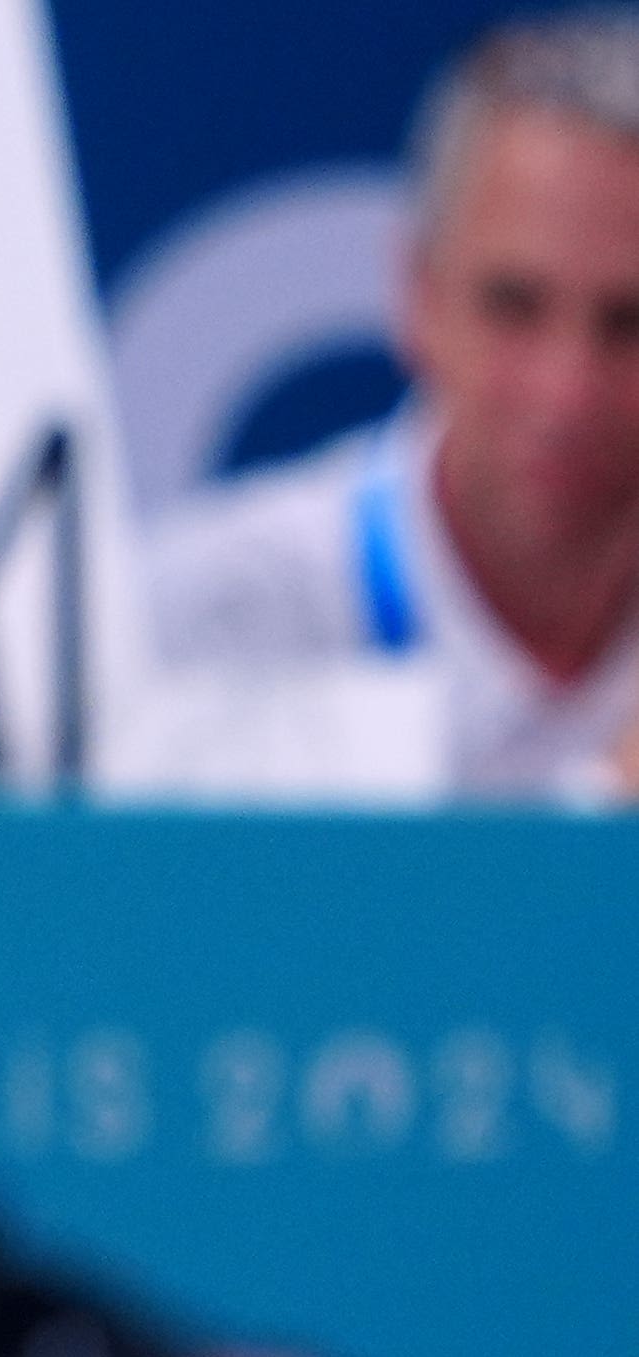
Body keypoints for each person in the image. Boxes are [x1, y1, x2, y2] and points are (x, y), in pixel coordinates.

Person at [128, 11, 639, 804]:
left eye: (630, 324)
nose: (566, 389)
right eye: (513, 305)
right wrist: (604, 807)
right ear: (419, 298)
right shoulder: (194, 623)